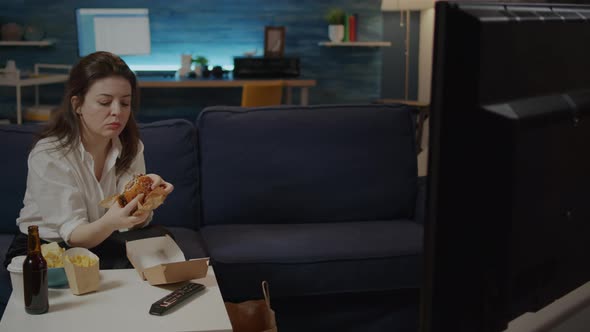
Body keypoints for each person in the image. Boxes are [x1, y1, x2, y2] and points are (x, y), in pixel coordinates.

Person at [3, 51, 174, 269]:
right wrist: (113, 221)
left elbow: (127, 217)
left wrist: (146, 198)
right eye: (104, 102)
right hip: (46, 247)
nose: (117, 112)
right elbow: (75, 235)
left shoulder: (131, 146)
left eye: (125, 103)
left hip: (98, 238)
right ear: (77, 105)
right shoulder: (49, 154)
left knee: (162, 239)